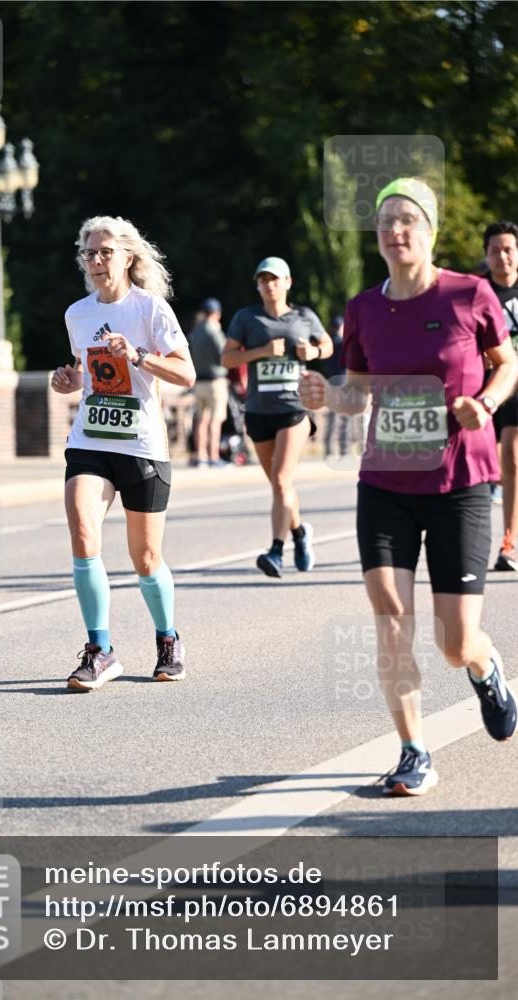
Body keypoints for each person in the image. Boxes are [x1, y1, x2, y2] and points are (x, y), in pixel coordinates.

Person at [300, 177, 518, 796]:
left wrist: (487, 400)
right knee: (392, 616)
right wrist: (325, 395)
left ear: (430, 232)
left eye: (408, 220)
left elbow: (508, 364)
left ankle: (487, 669)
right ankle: (413, 749)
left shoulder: (470, 294)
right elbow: (357, 391)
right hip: (386, 483)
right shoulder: (363, 308)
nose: (396, 230)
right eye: (385, 221)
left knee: (455, 640)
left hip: (462, 482)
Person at [51, 215, 196, 690]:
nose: (95, 260)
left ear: (127, 257)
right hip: (91, 439)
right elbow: (86, 372)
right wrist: (71, 381)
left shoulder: (150, 310)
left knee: (147, 558)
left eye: (104, 252)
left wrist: (138, 355)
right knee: (81, 528)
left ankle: (168, 638)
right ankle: (100, 649)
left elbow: (186, 374)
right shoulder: (78, 314)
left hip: (141, 444)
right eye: (88, 253)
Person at [221, 256, 332, 577]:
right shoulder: (246, 318)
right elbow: (227, 358)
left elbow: (326, 346)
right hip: (258, 411)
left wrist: (313, 352)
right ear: (257, 284)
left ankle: (275, 550)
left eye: (274, 279)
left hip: (294, 409)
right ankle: (300, 534)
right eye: (263, 280)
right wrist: (262, 351)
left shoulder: (303, 316)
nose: (268, 285)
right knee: (280, 487)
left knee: (282, 480)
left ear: (287, 282)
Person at [483, 220, 518, 571]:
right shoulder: (479, 295)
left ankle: (509, 543)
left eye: (508, 249)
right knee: (493, 463)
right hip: (488, 386)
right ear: (486, 255)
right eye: (495, 249)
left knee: (512, 455)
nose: (502, 256)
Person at [188, 297, 228, 467]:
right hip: (215, 381)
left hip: (199, 381)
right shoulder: (214, 330)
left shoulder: (194, 332)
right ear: (217, 314)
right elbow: (224, 354)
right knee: (215, 420)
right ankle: (213, 455)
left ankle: (201, 455)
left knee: (200, 420)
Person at [323, 314, 350, 460]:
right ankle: (343, 450)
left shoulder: (329, 343)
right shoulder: (340, 344)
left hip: (332, 382)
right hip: (343, 382)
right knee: (344, 419)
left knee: (332, 419)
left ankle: (328, 450)